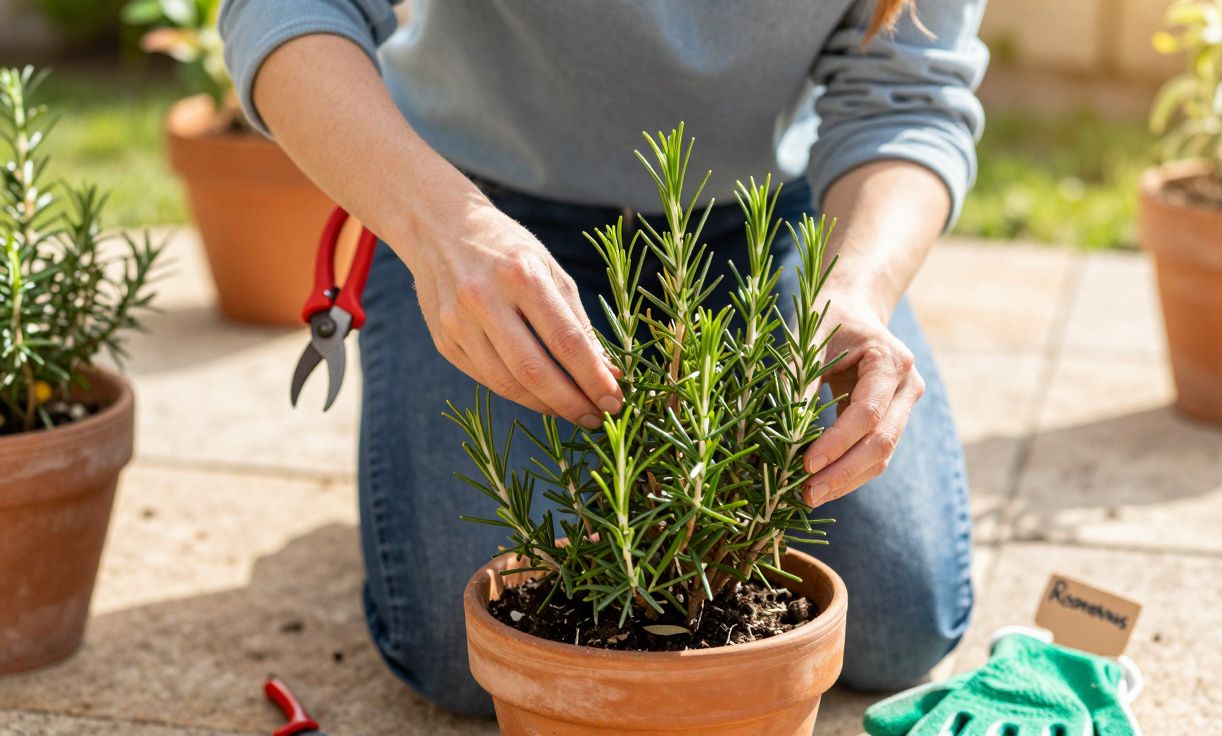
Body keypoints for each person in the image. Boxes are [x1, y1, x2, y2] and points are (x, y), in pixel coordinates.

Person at [220, 0, 987, 715]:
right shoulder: (455, 224)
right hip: (472, 213)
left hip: (758, 223)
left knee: (896, 622)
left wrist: (855, 288)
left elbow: (909, 96)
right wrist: (438, 233)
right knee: (470, 653)